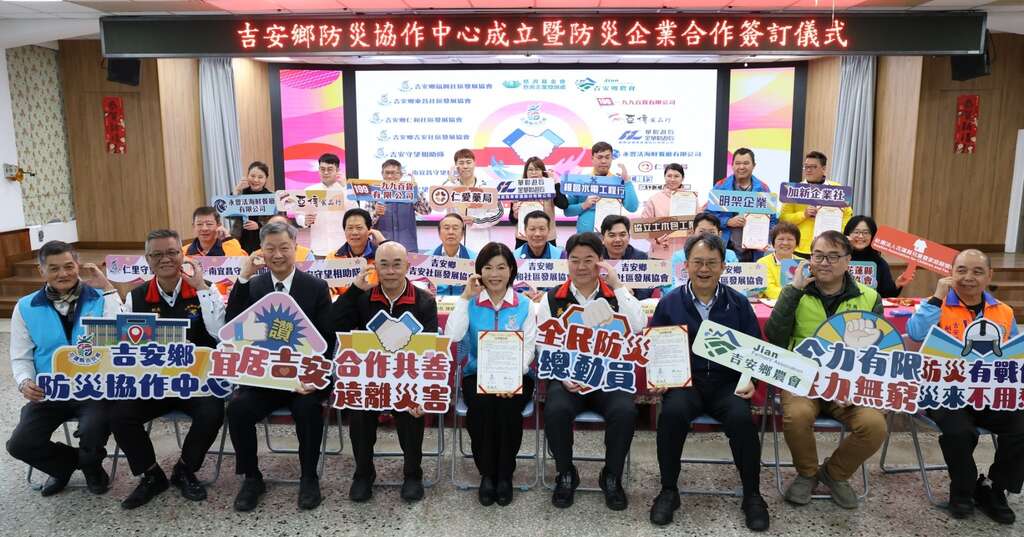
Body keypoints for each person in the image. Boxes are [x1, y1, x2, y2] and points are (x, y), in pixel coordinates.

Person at [648, 234, 769, 531]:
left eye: (712, 263)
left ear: (723, 266)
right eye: (698, 262)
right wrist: (659, 377)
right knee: (672, 414)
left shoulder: (738, 303)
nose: (704, 269)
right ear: (686, 266)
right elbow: (655, 347)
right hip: (686, 383)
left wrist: (750, 379)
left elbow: (755, 349)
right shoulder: (669, 303)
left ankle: (752, 495)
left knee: (742, 419)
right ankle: (668, 490)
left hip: (727, 383)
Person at [764, 230, 887, 510]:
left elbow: (879, 351)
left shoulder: (869, 297)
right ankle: (807, 474)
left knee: (874, 425)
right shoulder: (796, 292)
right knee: (797, 415)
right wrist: (792, 292)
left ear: (848, 260)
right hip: (803, 379)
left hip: (849, 384)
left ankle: (835, 474)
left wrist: (855, 385)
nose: (824, 263)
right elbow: (776, 337)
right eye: (818, 256)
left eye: (833, 256)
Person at [110, 229, 226, 509]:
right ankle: (151, 474)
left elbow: (220, 333)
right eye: (157, 254)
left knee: (213, 411)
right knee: (119, 413)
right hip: (154, 382)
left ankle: (185, 469)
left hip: (195, 381)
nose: (165, 259)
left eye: (172, 252)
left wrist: (202, 289)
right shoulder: (136, 296)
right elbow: (124, 343)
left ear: (182, 255)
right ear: (147, 259)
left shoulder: (206, 289)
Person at [906, 249, 1022, 524]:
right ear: (950, 273)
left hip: (989, 391)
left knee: (1021, 424)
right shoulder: (936, 306)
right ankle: (963, 490)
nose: (968, 277)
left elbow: (1014, 355)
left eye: (977, 271)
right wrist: (937, 298)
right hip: (945, 392)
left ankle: (994, 489)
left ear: (989, 275)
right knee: (959, 431)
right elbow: (914, 333)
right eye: (961, 270)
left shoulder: (1003, 311)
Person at [225, 221, 334, 512]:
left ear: (295, 248)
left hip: (303, 378)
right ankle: (252, 478)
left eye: (284, 248)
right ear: (261, 250)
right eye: (270, 248)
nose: (277, 255)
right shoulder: (254, 285)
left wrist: (314, 377)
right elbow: (233, 325)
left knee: (308, 409)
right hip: (265, 378)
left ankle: (309, 477)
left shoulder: (316, 287)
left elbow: (327, 339)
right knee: (237, 409)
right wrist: (244, 277)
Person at [539, 232, 646, 511]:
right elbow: (543, 344)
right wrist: (563, 375)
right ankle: (565, 473)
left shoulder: (614, 295)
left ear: (600, 261)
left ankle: (611, 476)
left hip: (609, 377)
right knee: (555, 410)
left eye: (589, 260)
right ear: (567, 262)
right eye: (575, 260)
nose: (581, 266)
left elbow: (638, 324)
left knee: (625, 411)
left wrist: (618, 285)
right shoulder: (552, 298)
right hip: (568, 377)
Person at [7, 241, 121, 497]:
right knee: (20, 444)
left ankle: (92, 469)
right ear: (42, 271)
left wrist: (108, 288)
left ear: (77, 266)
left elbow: (120, 334)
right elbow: (20, 356)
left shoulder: (100, 298)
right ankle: (68, 465)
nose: (63, 274)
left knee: (94, 427)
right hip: (50, 390)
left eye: (69, 266)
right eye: (54, 268)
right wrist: (25, 381)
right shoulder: (25, 307)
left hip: (93, 388)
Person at [332, 241, 439, 503]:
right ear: (375, 267)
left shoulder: (424, 301)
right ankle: (363, 473)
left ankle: (412, 474)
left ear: (407, 266)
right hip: (371, 378)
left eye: (396, 264)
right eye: (384, 264)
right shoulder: (363, 298)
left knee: (411, 406)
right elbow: (333, 324)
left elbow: (430, 350)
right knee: (358, 408)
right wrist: (353, 291)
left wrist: (423, 391)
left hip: (407, 379)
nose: (390, 271)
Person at [445, 242, 536, 507]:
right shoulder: (471, 303)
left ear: (511, 271)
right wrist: (464, 298)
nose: (494, 274)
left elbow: (529, 347)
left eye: (501, 267)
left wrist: (512, 378)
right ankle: (487, 473)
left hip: (517, 375)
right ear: (479, 271)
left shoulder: (525, 305)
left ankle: (505, 475)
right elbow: (453, 336)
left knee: (507, 409)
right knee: (482, 407)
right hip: (477, 374)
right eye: (488, 268)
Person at [780, 151, 853, 258]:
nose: (808, 170)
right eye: (806, 166)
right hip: (800, 248)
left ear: (823, 169)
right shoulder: (794, 190)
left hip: (830, 245)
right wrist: (803, 215)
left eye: (813, 167)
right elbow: (783, 219)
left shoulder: (837, 189)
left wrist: (838, 231)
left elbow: (847, 216)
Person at [710, 148, 777, 262]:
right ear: (732, 165)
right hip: (726, 248)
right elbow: (709, 216)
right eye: (737, 163)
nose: (741, 167)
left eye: (746, 163)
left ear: (754, 165)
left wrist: (763, 238)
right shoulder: (720, 186)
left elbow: (772, 220)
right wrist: (727, 221)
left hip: (753, 250)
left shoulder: (763, 189)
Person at [564, 142, 639, 234]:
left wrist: (627, 181)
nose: (603, 161)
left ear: (612, 159)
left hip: (612, 236)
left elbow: (632, 208)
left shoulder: (619, 182)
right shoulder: (581, 182)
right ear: (592, 159)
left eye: (607, 157)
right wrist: (584, 205)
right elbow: (567, 211)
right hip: (586, 237)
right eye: (599, 157)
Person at [444, 148, 503, 252]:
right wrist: (449, 181)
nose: (465, 166)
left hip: (480, 243)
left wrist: (476, 220)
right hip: (454, 243)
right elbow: (437, 205)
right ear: (455, 165)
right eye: (461, 163)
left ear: (474, 164)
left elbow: (498, 213)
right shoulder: (450, 186)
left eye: (468, 162)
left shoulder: (487, 187)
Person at [296, 153, 354, 257]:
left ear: (337, 170)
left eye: (330, 169)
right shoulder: (309, 191)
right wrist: (304, 220)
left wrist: (345, 188)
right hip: (319, 248)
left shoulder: (346, 190)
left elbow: (354, 212)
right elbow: (299, 215)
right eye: (322, 169)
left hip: (342, 247)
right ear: (318, 170)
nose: (326, 172)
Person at [844, 215, 913, 298]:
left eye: (866, 233)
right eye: (856, 232)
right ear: (848, 234)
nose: (861, 236)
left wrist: (897, 284)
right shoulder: (839, 259)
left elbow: (887, 295)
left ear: (873, 236)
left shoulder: (879, 263)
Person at [370, 159, 430, 253]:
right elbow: (367, 224)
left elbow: (426, 211)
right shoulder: (374, 194)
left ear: (401, 175)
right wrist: (375, 213)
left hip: (408, 248)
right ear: (382, 174)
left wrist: (414, 190)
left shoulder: (410, 193)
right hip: (382, 248)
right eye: (387, 173)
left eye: (394, 173)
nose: (390, 176)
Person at [509, 157, 569, 248]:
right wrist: (515, 215)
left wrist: (556, 183)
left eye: (537, 169)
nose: (533, 172)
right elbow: (512, 220)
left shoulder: (550, 186)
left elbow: (563, 204)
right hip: (523, 239)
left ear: (542, 171)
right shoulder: (517, 188)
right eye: (530, 170)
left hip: (547, 238)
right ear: (526, 172)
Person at [669, 213, 739, 289]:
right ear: (692, 233)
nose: (706, 236)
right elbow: (674, 286)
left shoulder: (730, 256)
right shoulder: (679, 256)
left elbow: (737, 286)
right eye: (701, 231)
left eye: (712, 232)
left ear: (719, 235)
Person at [640, 163, 691, 260]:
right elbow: (642, 225)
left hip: (684, 255)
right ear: (664, 177)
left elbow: (697, 225)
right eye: (669, 176)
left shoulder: (691, 199)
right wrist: (655, 240)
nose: (672, 179)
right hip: (659, 254)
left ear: (682, 178)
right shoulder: (654, 199)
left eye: (676, 176)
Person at [600, 214, 654, 300]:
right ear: (603, 238)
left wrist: (630, 293)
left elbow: (645, 292)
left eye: (622, 235)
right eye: (612, 235)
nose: (618, 239)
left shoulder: (641, 258)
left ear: (628, 237)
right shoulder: (596, 258)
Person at [230, 161, 274, 253]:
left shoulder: (271, 197)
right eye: (252, 176)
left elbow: (276, 222)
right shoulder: (240, 194)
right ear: (247, 176)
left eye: (260, 177)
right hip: (240, 238)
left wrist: (259, 225)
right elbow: (229, 215)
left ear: (266, 179)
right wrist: (236, 190)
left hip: (262, 239)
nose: (256, 180)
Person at [433, 213, 477, 297]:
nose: (451, 232)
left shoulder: (475, 259)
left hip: (465, 302)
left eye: (455, 228)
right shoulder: (427, 258)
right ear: (439, 233)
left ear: (462, 234)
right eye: (446, 228)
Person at [758, 222, 800, 300]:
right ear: (773, 243)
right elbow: (770, 291)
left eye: (790, 239)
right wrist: (796, 294)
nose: (785, 243)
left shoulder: (802, 263)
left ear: (796, 243)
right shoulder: (762, 263)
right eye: (781, 239)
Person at [183, 206, 248, 257]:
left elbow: (237, 264)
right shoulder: (183, 253)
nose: (204, 228)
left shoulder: (233, 249)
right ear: (193, 226)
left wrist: (228, 238)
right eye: (199, 224)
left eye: (209, 224)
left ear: (219, 225)